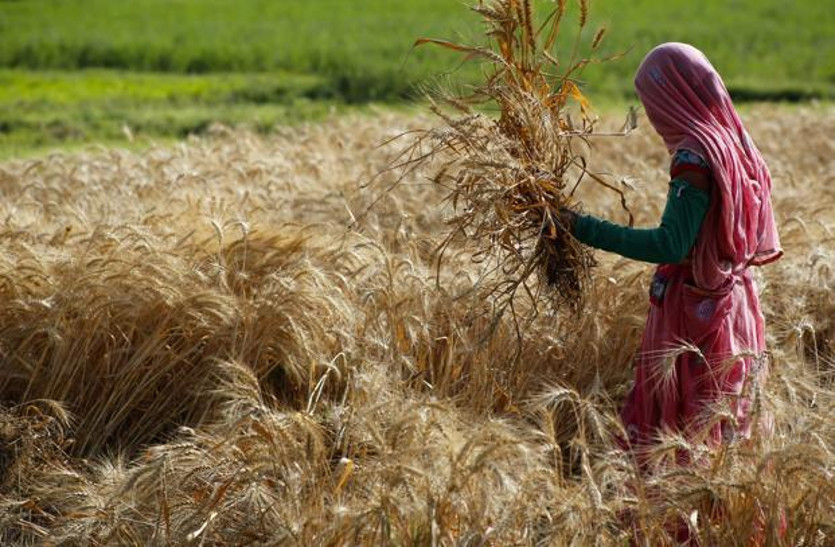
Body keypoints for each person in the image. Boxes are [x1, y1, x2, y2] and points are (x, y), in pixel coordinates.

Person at [562, 42, 783, 461]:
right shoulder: (735, 145)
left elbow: (671, 244)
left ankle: (675, 525)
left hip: (696, 315)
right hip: (734, 306)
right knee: (724, 425)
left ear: (673, 96)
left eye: (651, 101)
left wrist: (582, 228)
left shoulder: (695, 158)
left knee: (686, 430)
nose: (650, 115)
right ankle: (729, 521)